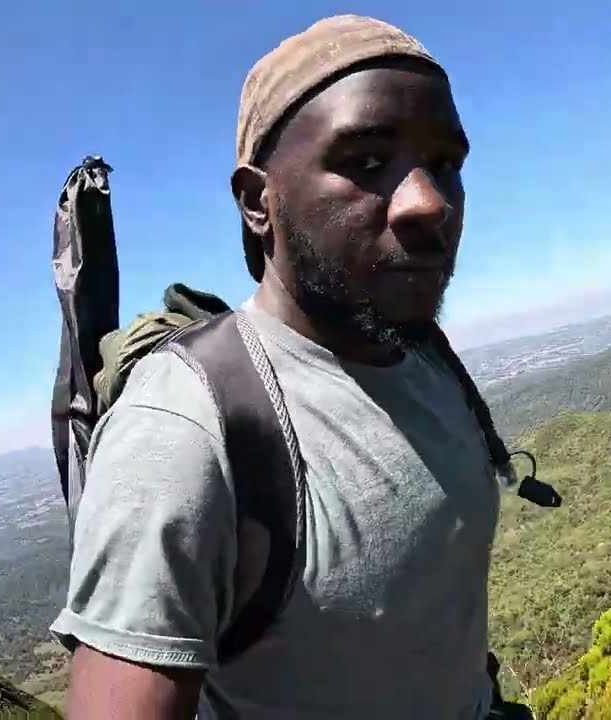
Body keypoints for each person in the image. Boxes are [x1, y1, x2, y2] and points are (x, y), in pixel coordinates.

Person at [51, 14, 505, 719]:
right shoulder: (184, 433)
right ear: (257, 202)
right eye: (366, 162)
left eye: (446, 164)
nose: (431, 203)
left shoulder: (416, 349)